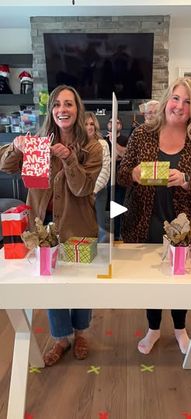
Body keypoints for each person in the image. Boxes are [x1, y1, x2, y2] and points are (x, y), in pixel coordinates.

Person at [0, 85, 103, 366]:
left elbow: (83, 188)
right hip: (42, 228)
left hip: (77, 227)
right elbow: (6, 166)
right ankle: (61, 338)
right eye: (57, 104)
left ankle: (81, 333)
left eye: (69, 104)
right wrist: (15, 146)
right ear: (52, 110)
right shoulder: (37, 141)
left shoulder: (92, 147)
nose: (62, 109)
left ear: (77, 109)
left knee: (80, 284)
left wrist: (69, 158)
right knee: (49, 283)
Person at [117, 76, 191, 355]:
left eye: (187, 102)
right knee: (153, 280)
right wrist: (135, 174)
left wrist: (186, 180)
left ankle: (179, 328)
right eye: (175, 98)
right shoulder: (142, 135)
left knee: (180, 277)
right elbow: (123, 175)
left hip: (182, 224)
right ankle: (153, 328)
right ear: (166, 101)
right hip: (145, 219)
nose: (179, 106)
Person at [85, 111, 110, 242]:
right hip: (80, 193)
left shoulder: (103, 144)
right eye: (85, 124)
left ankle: (101, 258)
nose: (89, 127)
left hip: (98, 192)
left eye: (92, 124)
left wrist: (92, 191)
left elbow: (105, 171)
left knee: (99, 227)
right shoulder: (77, 144)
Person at [105, 115, 128, 240]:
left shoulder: (127, 139)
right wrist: (117, 156)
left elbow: (125, 155)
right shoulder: (103, 140)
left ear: (121, 125)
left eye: (117, 122)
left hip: (119, 182)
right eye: (111, 122)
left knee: (117, 209)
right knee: (102, 210)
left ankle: (117, 236)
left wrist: (114, 143)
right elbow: (106, 159)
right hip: (104, 181)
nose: (113, 124)